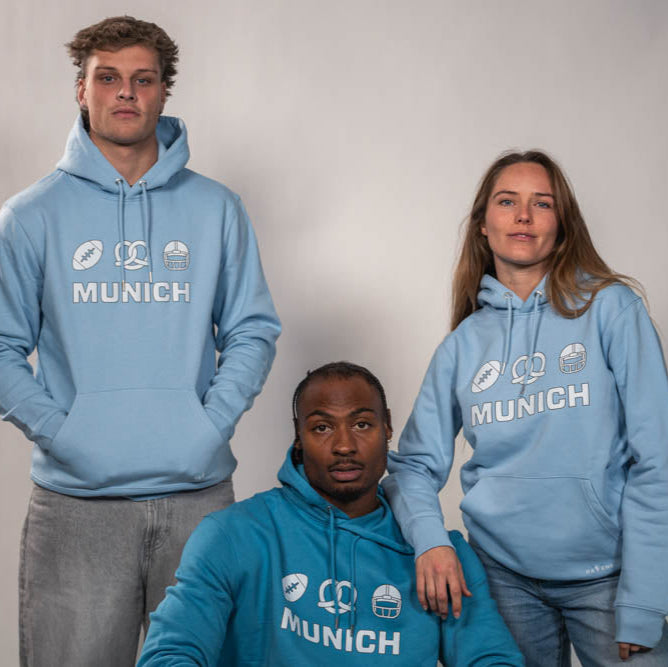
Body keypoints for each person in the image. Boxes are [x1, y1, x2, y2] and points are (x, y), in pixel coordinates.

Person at [0, 16, 280, 666]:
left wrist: (206, 427)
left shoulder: (216, 209)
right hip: (76, 507)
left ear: (162, 92)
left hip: (198, 501)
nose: (126, 92)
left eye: (142, 79)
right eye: (108, 78)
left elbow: (252, 330)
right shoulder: (30, 216)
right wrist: (65, 435)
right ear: (81, 89)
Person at [382, 151, 668, 666]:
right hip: (502, 580)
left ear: (562, 224)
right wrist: (431, 542)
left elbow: (659, 457)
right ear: (483, 224)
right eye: (507, 201)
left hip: (609, 576)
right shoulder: (462, 345)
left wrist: (646, 596)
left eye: (542, 203)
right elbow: (413, 467)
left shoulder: (611, 309)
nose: (523, 215)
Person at [138, 362, 524, 665]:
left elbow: (491, 659)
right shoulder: (233, 535)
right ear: (299, 437)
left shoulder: (439, 556)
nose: (344, 445)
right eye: (322, 427)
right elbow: (171, 653)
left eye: (362, 424)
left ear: (388, 426)